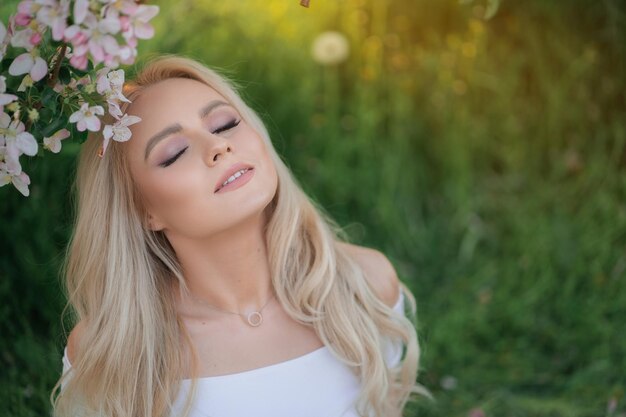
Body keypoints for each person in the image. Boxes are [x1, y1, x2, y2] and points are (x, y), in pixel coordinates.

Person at [50, 54, 426, 417]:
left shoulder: (365, 286)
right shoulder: (111, 353)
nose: (218, 146)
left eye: (225, 123)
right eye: (175, 152)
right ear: (143, 210)